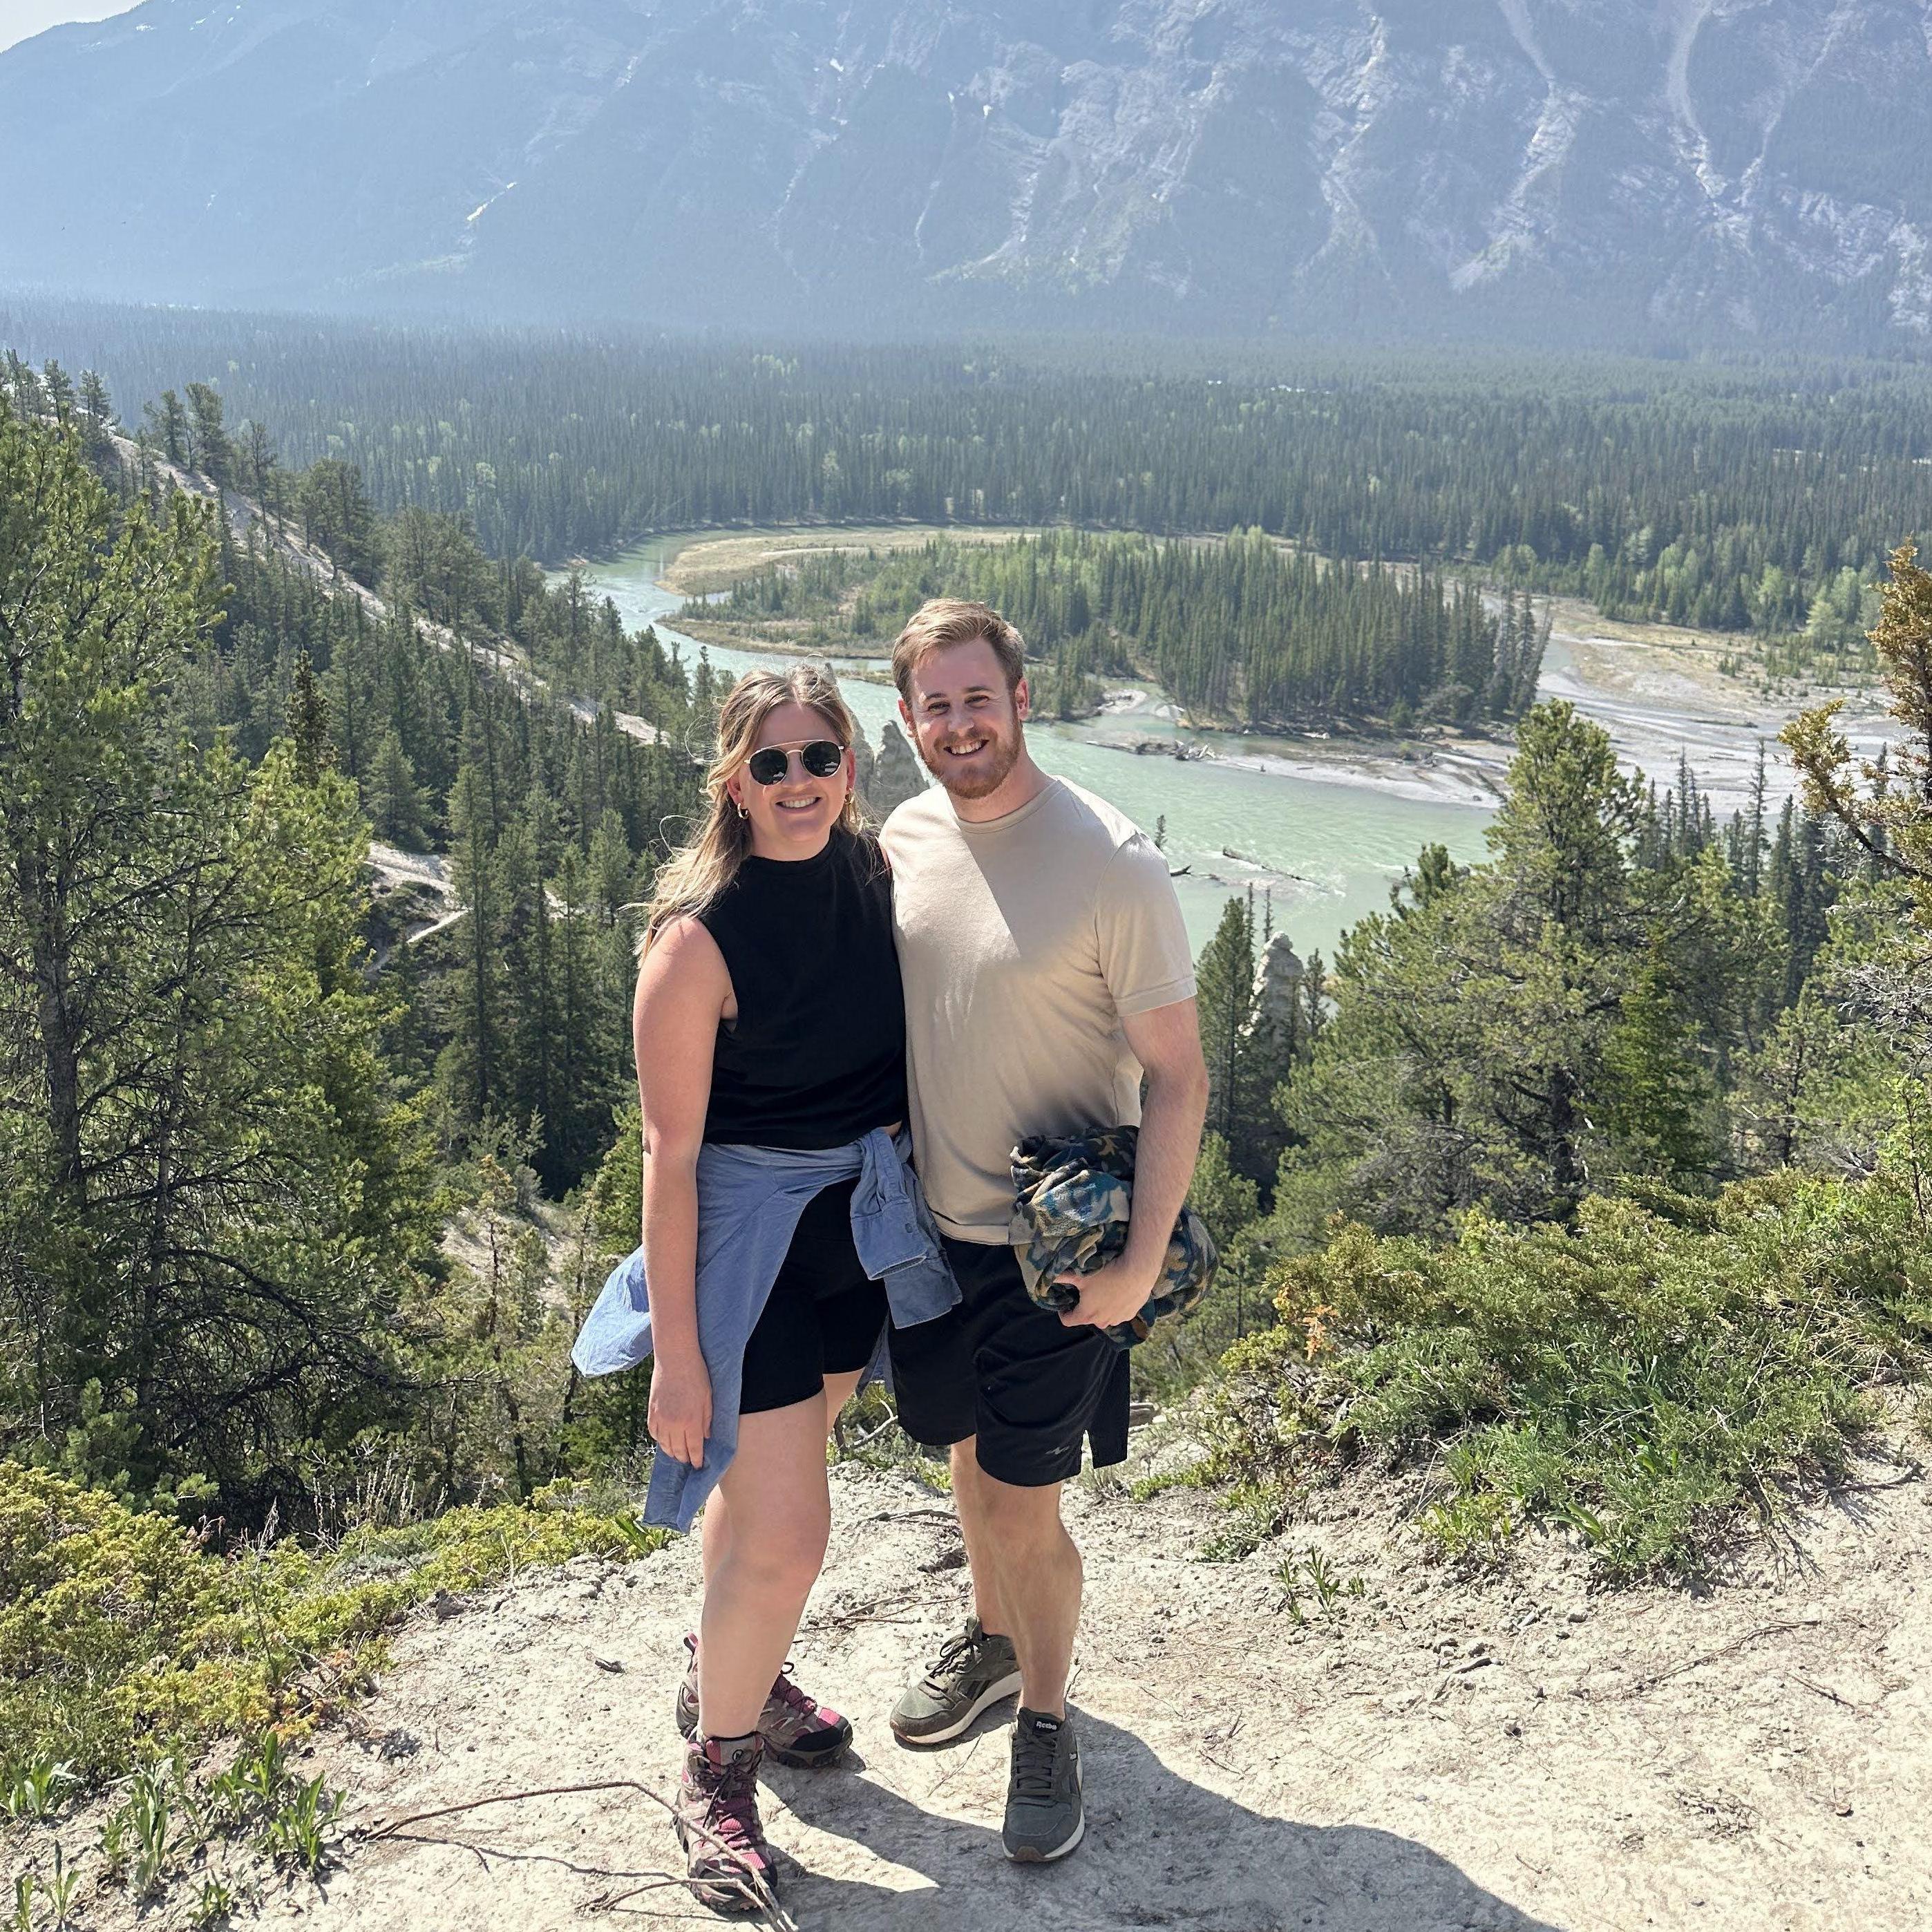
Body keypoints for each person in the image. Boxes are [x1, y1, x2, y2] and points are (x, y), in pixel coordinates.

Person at [570, 665, 957, 1914]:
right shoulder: (695, 941)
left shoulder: (873, 880)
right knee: (792, 1529)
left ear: (854, 766)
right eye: (774, 762)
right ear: (734, 777)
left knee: (772, 1488)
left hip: (856, 1230)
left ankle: (732, 1667)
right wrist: (680, 1358)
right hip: (752, 1247)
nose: (801, 782)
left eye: (823, 758)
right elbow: (669, 1159)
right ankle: (719, 1770)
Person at [879, 598, 1210, 1864]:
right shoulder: (906, 837)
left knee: (1025, 1505)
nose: (960, 725)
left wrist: (1136, 1267)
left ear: (1023, 699)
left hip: (1058, 1255)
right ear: (908, 720)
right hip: (932, 1237)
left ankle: (1047, 1722)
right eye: (934, 706)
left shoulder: (1111, 861)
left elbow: (1178, 1075)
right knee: (968, 1458)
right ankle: (996, 1640)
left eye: (979, 698)